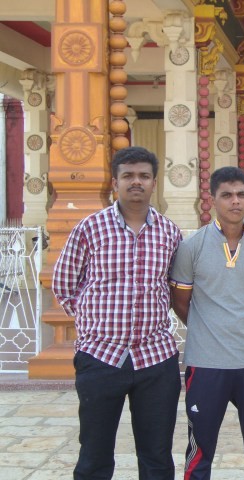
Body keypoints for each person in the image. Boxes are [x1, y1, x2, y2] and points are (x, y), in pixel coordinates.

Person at [52, 146, 182, 480]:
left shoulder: (169, 233)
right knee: (94, 455)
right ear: (115, 182)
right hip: (100, 357)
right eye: (128, 176)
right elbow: (64, 284)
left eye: (144, 176)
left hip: (155, 357)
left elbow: (175, 285)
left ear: (154, 183)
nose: (136, 182)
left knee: (157, 456)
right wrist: (93, 324)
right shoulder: (90, 228)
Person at [169, 167, 244, 480]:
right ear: (212, 199)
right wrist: (209, 327)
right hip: (206, 363)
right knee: (200, 451)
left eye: (241, 195)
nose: (235, 201)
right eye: (227, 195)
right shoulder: (192, 246)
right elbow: (180, 302)